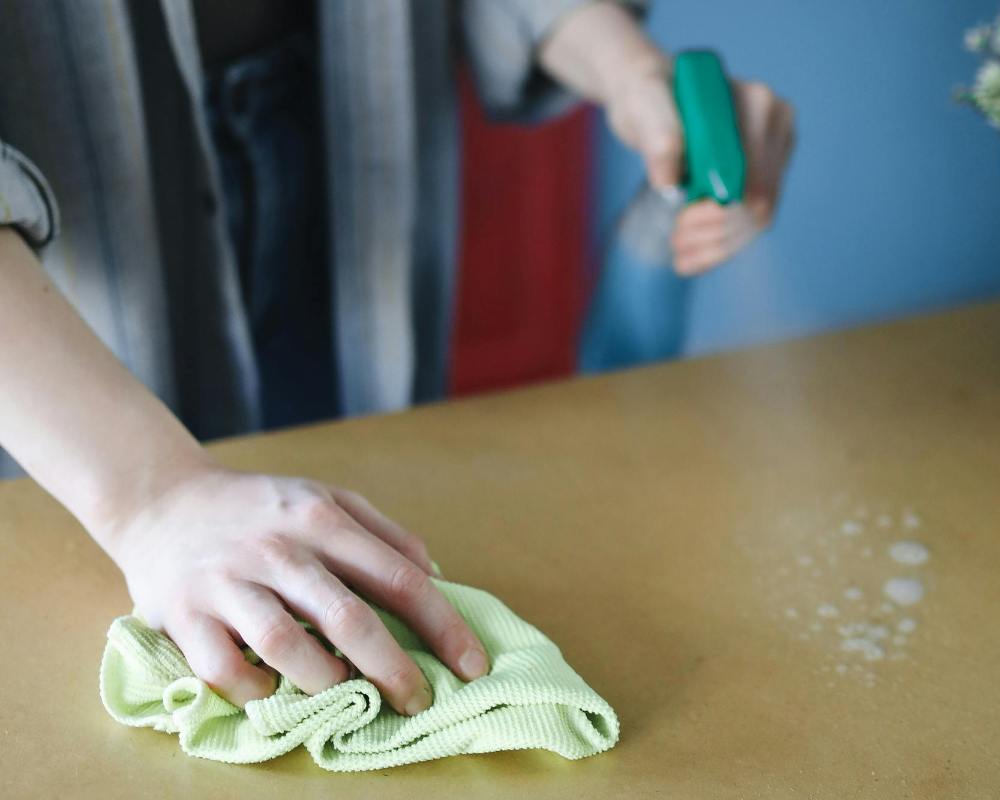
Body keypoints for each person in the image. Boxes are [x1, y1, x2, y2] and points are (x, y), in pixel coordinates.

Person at [0, 0, 794, 717]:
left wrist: (628, 67)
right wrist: (149, 494)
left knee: (339, 532)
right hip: (47, 318)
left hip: (337, 129)